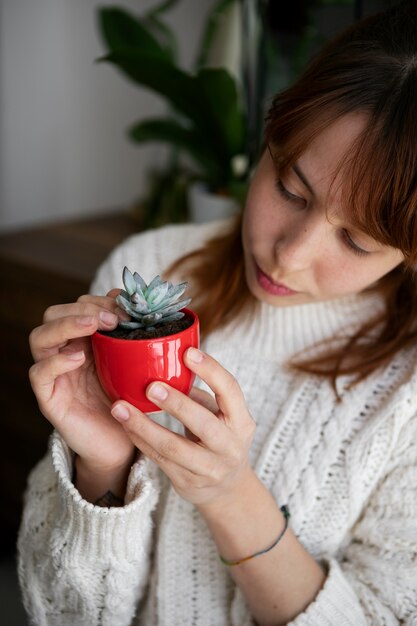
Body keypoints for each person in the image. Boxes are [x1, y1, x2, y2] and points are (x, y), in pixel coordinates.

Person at [18, 2, 417, 625]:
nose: (289, 255)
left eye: (358, 241)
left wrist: (230, 495)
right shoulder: (148, 268)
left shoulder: (406, 390)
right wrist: (102, 465)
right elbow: (63, 614)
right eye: (291, 188)